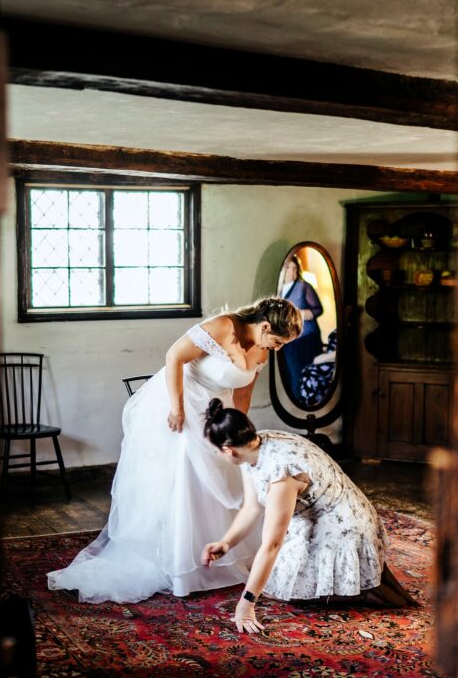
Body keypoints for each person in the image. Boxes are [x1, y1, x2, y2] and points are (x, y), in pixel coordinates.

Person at [47, 297, 303, 603]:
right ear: (264, 326)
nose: (278, 349)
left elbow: (243, 391)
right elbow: (174, 357)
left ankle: (219, 560)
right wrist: (177, 408)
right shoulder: (223, 327)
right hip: (185, 401)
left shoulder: (261, 348)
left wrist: (238, 430)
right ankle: (183, 569)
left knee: (224, 474)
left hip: (218, 409)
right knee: (187, 472)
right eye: (278, 341)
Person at [200, 400, 417, 634]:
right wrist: (227, 542)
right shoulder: (255, 444)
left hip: (345, 526)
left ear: (228, 450)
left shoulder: (280, 473)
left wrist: (246, 604)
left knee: (281, 593)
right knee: (274, 583)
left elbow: (272, 544)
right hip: (321, 513)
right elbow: (252, 508)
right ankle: (358, 583)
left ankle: (365, 591)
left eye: (215, 450)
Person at [279, 256, 324, 394]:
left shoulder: (303, 286)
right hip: (287, 342)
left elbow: (318, 309)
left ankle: (304, 406)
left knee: (303, 377)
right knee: (290, 376)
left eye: (295, 268)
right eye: (289, 268)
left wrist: (298, 313)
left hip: (306, 339)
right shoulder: (278, 289)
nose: (292, 271)